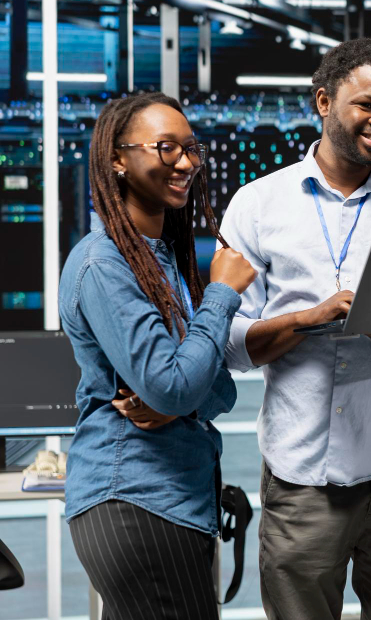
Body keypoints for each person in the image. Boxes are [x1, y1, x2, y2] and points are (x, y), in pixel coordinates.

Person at [219, 38, 371, 620]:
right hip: (302, 479)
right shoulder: (257, 205)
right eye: (368, 105)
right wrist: (311, 318)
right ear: (323, 101)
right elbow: (230, 344)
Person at [59, 91, 257, 619]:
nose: (187, 162)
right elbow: (175, 384)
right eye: (167, 148)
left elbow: (213, 389)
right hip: (137, 498)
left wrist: (179, 396)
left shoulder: (161, 261)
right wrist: (221, 294)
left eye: (192, 148)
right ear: (117, 159)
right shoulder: (103, 265)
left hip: (172, 500)